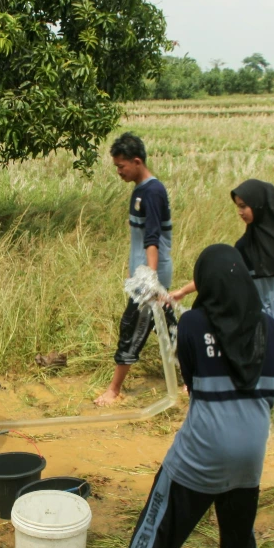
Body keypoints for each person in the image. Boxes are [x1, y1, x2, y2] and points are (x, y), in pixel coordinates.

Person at [83, 244, 274, 548]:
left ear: (206, 286)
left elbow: (191, 384)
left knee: (155, 532)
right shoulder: (272, 331)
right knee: (239, 530)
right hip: (249, 460)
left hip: (200, 456)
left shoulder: (193, 325)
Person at [169, 180, 274, 437]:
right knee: (269, 370)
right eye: (238, 207)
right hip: (267, 320)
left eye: (244, 206)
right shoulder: (244, 245)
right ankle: (272, 423)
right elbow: (223, 274)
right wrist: (183, 291)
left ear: (260, 204)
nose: (240, 212)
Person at [95, 132, 176, 407]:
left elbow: (152, 238)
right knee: (169, 328)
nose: (118, 171)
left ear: (137, 161)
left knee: (131, 326)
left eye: (121, 166)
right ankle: (194, 379)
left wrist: (150, 278)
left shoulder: (152, 192)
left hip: (151, 276)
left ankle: (114, 389)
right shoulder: (141, 191)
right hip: (144, 274)